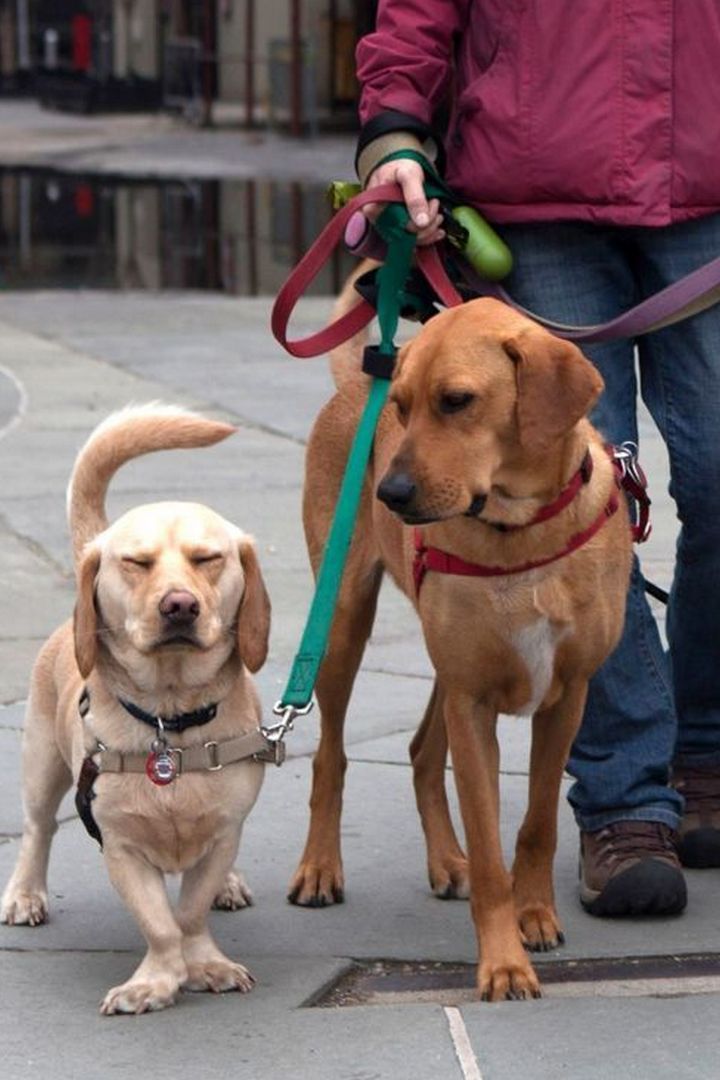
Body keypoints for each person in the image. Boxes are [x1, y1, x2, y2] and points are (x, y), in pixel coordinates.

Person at [353, 0, 720, 917]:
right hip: (535, 190)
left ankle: (707, 749)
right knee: (574, 501)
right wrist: (396, 130)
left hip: (708, 185)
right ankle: (626, 800)